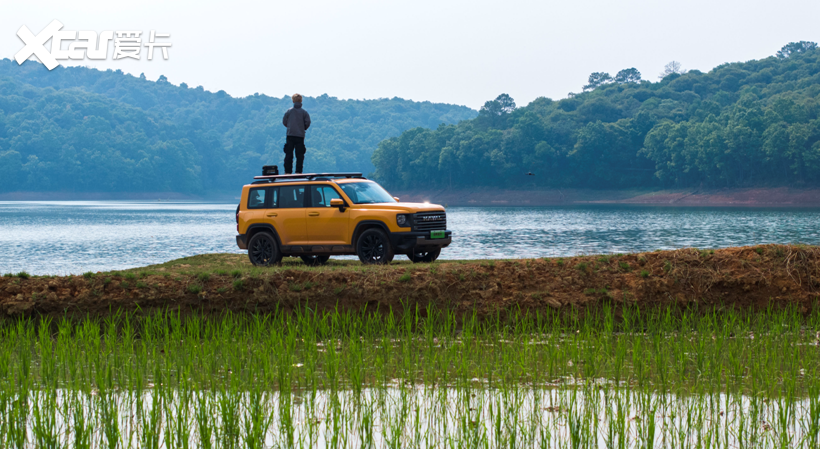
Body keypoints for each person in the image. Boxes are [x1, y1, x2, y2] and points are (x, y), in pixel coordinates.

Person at [282, 93, 311, 174]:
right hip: (300, 136)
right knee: (299, 155)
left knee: (288, 154)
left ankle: (288, 172)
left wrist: (289, 127)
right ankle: (298, 172)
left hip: (290, 135)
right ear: (301, 101)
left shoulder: (289, 111)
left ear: (293, 101)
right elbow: (308, 122)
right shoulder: (304, 112)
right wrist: (303, 128)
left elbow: (284, 121)